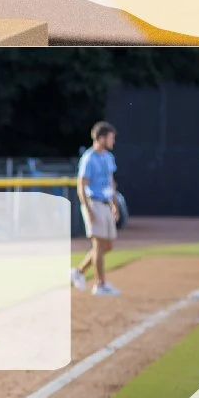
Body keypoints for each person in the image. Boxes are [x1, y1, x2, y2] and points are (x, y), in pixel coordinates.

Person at [73, 121, 120, 295]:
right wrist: (89, 210)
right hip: (94, 202)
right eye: (110, 137)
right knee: (99, 245)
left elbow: (111, 181)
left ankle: (78, 271)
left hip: (106, 203)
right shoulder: (88, 158)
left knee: (108, 245)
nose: (113, 141)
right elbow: (81, 186)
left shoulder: (108, 157)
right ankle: (100, 284)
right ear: (101, 138)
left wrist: (114, 202)